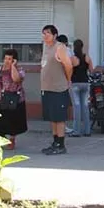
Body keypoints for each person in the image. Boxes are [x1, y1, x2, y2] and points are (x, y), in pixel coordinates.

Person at [40, 25, 73, 155]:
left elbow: (68, 65)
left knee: (59, 118)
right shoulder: (46, 47)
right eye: (43, 33)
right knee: (52, 118)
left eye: (48, 33)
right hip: (47, 88)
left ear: (55, 35)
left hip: (58, 89)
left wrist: (68, 79)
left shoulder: (59, 47)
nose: (45, 36)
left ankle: (61, 144)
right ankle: (55, 142)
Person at [0, 48, 28, 150]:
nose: (6, 61)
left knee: (13, 121)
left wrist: (13, 67)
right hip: (1, 98)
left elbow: (16, 79)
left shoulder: (19, 69)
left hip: (15, 99)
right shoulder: (0, 69)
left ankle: (12, 140)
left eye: (9, 59)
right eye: (5, 58)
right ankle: (1, 140)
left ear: (14, 60)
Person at [69, 39, 93, 138]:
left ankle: (76, 131)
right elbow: (91, 70)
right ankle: (87, 130)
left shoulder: (72, 59)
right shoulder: (87, 57)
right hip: (85, 83)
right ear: (82, 47)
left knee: (77, 107)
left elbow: (69, 72)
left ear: (74, 47)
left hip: (75, 84)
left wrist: (68, 81)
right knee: (85, 107)